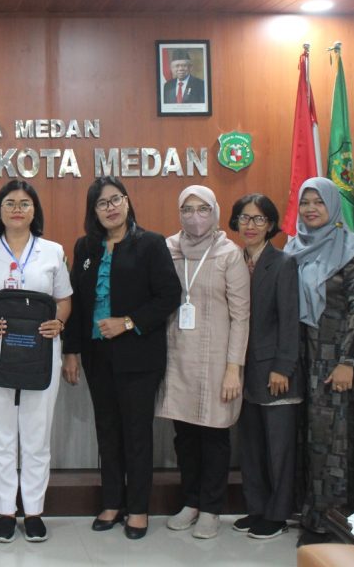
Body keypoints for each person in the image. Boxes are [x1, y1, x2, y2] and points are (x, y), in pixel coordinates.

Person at [63, 177, 181, 540]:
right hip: (98, 356)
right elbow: (78, 305)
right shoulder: (86, 247)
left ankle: (139, 508)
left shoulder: (150, 244)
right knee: (108, 431)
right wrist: (72, 351)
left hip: (138, 357)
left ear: (128, 203)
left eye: (116, 200)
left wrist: (128, 323)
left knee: (136, 433)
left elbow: (168, 296)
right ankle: (112, 502)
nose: (111, 207)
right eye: (102, 203)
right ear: (93, 211)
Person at [0, 180, 71, 543]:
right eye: (9, 203)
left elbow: (64, 299)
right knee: (1, 436)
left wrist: (60, 322)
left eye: (24, 204)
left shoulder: (53, 252)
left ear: (34, 211)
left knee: (37, 435)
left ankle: (35, 511)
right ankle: (6, 511)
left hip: (40, 353)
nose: (17, 210)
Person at [158, 185, 250, 539]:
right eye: (187, 210)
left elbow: (241, 317)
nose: (194, 217)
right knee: (185, 436)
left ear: (214, 211)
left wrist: (233, 369)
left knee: (214, 436)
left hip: (217, 362)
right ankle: (191, 501)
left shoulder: (229, 254)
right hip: (177, 356)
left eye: (202, 209)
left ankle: (212, 508)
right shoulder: (167, 249)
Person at [285, 178, 354, 538]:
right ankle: (309, 510)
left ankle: (333, 519)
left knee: (334, 438)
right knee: (307, 434)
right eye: (305, 202)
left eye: (318, 202)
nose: (310, 209)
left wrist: (346, 362)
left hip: (337, 359)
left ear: (333, 206)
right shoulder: (293, 248)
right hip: (303, 356)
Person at [227, 193, 300, 540]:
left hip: (274, 371)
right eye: (244, 218)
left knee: (279, 447)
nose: (250, 225)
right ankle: (257, 508)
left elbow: (290, 321)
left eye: (258, 219)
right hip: (242, 369)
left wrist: (283, 367)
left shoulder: (283, 263)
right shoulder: (232, 260)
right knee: (251, 446)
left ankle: (279, 513)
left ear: (271, 224)